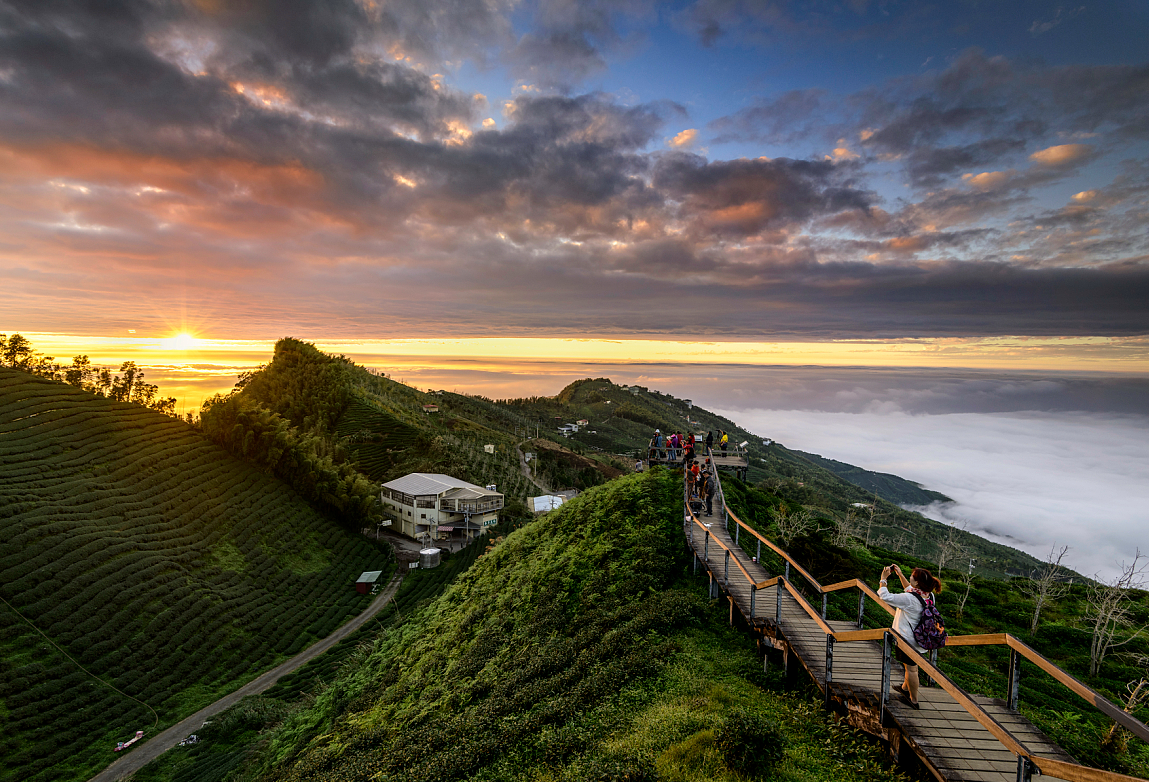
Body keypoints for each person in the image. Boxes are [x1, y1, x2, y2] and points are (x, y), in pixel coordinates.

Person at [878, 564, 943, 710]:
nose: (910, 577)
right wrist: (900, 574)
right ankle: (905, 689)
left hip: (907, 640)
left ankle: (913, 700)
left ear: (917, 582)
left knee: (912, 669)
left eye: (912, 576)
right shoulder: (928, 595)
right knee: (910, 667)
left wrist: (883, 579)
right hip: (922, 638)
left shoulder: (909, 598)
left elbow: (884, 596)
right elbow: (910, 591)